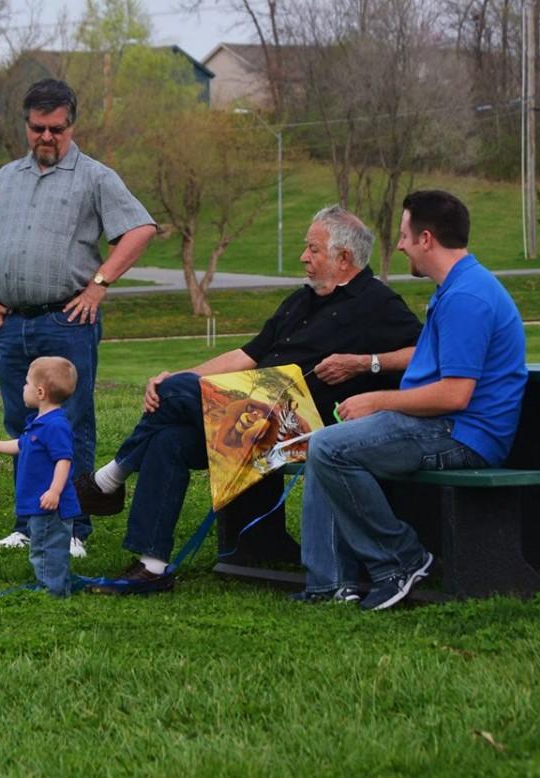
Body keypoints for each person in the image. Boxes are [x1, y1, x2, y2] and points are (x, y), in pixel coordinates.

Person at [75, 205, 423, 594]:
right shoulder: (301, 300)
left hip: (300, 428)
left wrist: (366, 363)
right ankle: (152, 566)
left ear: (344, 259)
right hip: (252, 417)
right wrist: (180, 374)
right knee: (168, 438)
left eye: (313, 249)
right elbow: (246, 357)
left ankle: (109, 480)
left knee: (174, 394)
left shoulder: (378, 303)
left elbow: (427, 352)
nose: (303, 257)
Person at [297, 190, 528, 611]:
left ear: (426, 239)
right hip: (442, 425)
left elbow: (457, 395)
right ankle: (329, 583)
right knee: (327, 441)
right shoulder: (455, 287)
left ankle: (400, 560)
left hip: (463, 435)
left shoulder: (466, 297)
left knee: (331, 447)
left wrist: (378, 402)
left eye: (404, 235)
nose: (399, 245)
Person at [0, 79, 157, 556]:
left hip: (66, 322)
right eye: (37, 128)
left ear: (71, 124)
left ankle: (71, 529)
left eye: (56, 128)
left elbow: (140, 229)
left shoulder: (95, 177)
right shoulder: (5, 178)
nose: (46, 137)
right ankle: (29, 525)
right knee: (23, 426)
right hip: (13, 325)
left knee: (67, 426)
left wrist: (100, 284)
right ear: (25, 125)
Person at [0, 357, 82, 597]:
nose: (23, 388)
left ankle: (52, 590)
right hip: (38, 501)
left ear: (41, 392)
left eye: (26, 384)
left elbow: (64, 460)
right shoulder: (39, 423)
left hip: (50, 504)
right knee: (41, 543)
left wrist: (55, 491)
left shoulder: (55, 426)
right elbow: (21, 445)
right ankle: (51, 583)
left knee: (47, 547)